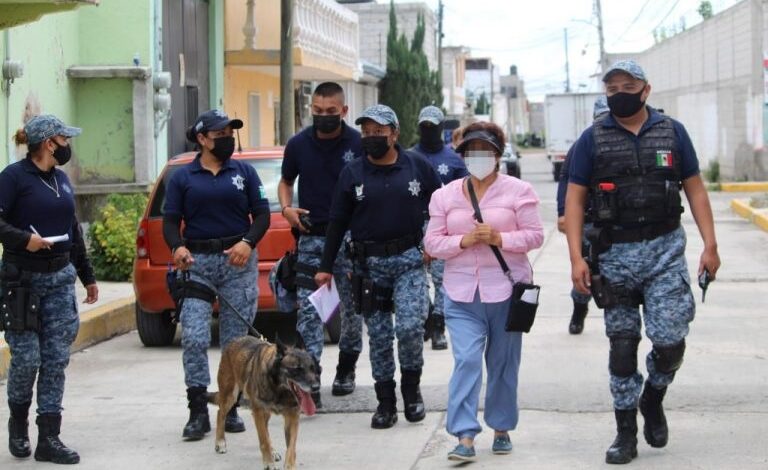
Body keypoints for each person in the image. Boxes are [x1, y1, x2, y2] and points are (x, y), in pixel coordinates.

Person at [565, 60, 721, 464]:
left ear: (645, 90)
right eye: (612, 86)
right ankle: (625, 433)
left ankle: (653, 396)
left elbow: (696, 190)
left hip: (665, 252)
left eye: (627, 85)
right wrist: (576, 260)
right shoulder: (592, 139)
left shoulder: (673, 132)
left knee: (670, 341)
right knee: (622, 347)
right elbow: (575, 200)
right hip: (614, 257)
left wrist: (710, 245)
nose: (619, 91)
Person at [315, 104, 441, 429]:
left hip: (410, 262)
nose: (371, 137)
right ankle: (385, 403)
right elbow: (337, 221)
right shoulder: (353, 173)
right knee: (381, 336)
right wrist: (325, 266)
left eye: (378, 132)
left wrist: (433, 241)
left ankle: (411, 392)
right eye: (367, 132)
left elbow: (442, 206)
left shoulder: (417, 166)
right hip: (368, 267)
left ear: (394, 134)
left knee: (411, 328)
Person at [424, 122, 543, 461]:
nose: (478, 158)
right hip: (461, 295)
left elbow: (535, 236)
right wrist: (463, 240)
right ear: (462, 156)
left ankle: (502, 427)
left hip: (507, 292)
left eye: (485, 152)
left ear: (497, 155)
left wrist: (500, 239)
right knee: (466, 361)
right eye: (471, 152)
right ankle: (464, 436)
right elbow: (432, 242)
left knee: (503, 363)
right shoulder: (443, 196)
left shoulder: (519, 191)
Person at [162, 109, 271, 441]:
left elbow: (263, 215)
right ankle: (197, 410)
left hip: (237, 264)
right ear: (202, 139)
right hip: (197, 265)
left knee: (235, 344)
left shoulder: (245, 172)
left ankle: (232, 404)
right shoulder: (182, 177)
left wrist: (247, 242)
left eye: (230, 133)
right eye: (219, 134)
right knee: (194, 337)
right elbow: (169, 221)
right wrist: (177, 247)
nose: (226, 139)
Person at [0, 115, 99, 464]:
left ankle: (49, 437)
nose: (68, 145)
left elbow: (73, 230)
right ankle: (17, 424)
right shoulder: (13, 178)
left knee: (56, 360)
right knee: (28, 359)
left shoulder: (61, 179)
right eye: (63, 139)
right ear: (47, 143)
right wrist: (23, 239)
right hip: (22, 281)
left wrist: (87, 276)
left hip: (59, 278)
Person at [278, 82, 364, 407]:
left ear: (343, 111)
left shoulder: (358, 143)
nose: (324, 117)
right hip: (312, 237)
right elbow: (286, 182)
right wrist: (287, 209)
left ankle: (347, 368)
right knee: (310, 313)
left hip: (351, 240)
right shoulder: (298, 144)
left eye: (330, 112)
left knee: (352, 312)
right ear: (310, 110)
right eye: (317, 111)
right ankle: (311, 379)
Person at [409, 105, 469, 350]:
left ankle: (438, 327)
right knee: (417, 280)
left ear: (441, 128)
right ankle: (427, 315)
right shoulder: (409, 157)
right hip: (414, 226)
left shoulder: (454, 160)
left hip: (445, 226)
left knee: (442, 280)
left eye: (433, 127)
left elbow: (465, 195)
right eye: (424, 127)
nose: (428, 131)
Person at [556, 96, 609, 334]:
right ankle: (579, 310)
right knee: (585, 268)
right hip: (589, 221)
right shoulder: (583, 144)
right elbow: (566, 180)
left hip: (620, 224)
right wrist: (561, 213)